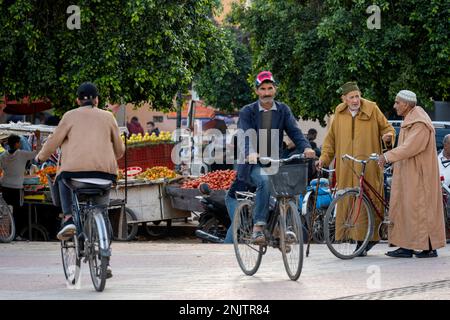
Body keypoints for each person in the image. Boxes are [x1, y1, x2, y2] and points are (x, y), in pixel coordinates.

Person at [35, 82, 125, 274]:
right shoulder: (108, 117)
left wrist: (40, 157)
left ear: (78, 100)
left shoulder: (69, 116)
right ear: (97, 100)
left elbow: (53, 142)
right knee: (102, 211)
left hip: (74, 177)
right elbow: (120, 151)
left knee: (61, 178)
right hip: (105, 176)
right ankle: (105, 260)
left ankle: (68, 219)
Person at [236, 70, 315, 244]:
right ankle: (258, 226)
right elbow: (245, 135)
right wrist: (250, 152)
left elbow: (294, 131)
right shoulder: (247, 111)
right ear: (257, 91)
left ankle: (282, 228)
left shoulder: (282, 109)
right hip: (253, 163)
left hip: (275, 160)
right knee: (264, 181)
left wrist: (307, 148)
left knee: (290, 187)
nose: (266, 93)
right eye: (262, 89)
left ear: (275, 89)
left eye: (269, 88)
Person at [318, 81, 396, 256]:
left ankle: (366, 239)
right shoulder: (338, 114)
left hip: (367, 165)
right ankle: (354, 237)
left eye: (357, 96)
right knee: (348, 199)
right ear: (344, 99)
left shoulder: (372, 109)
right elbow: (330, 141)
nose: (356, 100)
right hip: (346, 166)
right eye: (352, 97)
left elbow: (388, 128)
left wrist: (388, 137)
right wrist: (323, 159)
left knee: (367, 197)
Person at [378, 90, 446, 258]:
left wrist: (387, 156)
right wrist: (389, 144)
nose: (394, 106)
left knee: (421, 211)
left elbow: (410, 147)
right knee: (406, 210)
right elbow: (405, 146)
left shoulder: (420, 123)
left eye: (397, 102)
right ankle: (406, 246)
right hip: (409, 175)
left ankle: (429, 248)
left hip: (419, 177)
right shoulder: (410, 120)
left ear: (406, 105)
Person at [0, 132, 41, 238]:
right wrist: (38, 138)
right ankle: (16, 234)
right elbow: (37, 153)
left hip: (4, 186)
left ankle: (6, 233)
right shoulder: (22, 154)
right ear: (17, 144)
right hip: (16, 187)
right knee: (17, 211)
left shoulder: (3, 156)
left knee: (5, 212)